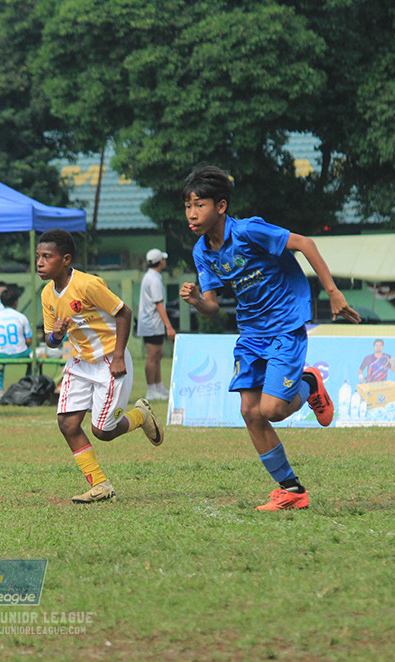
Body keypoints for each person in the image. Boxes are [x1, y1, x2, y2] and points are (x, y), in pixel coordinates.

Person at [178, 165, 359, 511]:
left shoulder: (249, 231)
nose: (192, 213)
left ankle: (309, 383)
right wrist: (197, 300)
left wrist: (334, 293)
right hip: (251, 333)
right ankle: (292, 489)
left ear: (221, 206)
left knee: (272, 410)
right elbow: (212, 308)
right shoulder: (202, 251)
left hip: (285, 324)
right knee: (250, 411)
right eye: (188, 206)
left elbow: (305, 244)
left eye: (199, 205)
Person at [37, 228, 164, 504]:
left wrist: (118, 356)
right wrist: (56, 335)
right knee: (67, 423)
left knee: (103, 431)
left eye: (47, 257)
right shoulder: (47, 294)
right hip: (80, 362)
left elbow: (124, 312)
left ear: (66, 259)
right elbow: (50, 340)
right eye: (38, 257)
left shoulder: (88, 285)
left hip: (109, 359)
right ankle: (100, 485)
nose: (40, 263)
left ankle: (141, 416)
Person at [137, 248, 177, 400]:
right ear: (161, 262)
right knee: (152, 356)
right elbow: (159, 304)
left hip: (153, 323)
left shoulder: (151, 277)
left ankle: (158, 386)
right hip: (151, 324)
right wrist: (169, 326)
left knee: (157, 354)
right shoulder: (154, 280)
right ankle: (151, 390)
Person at [0, 287, 34, 396]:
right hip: (20, 352)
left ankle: (0, 389)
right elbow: (29, 341)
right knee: (34, 359)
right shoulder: (21, 317)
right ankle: (27, 383)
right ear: (16, 302)